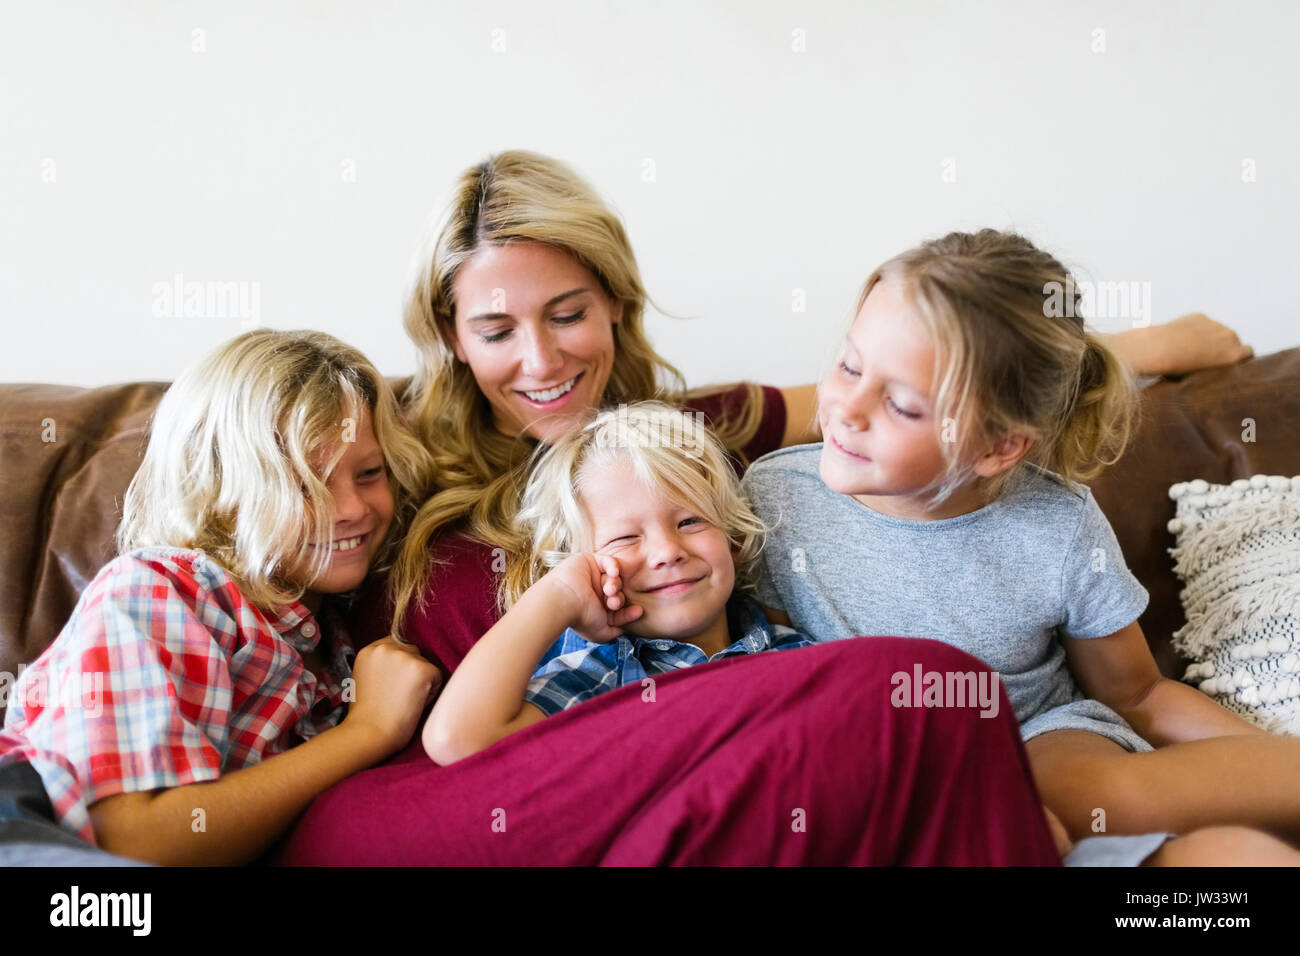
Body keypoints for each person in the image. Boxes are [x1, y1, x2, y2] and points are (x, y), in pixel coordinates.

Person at [274, 151, 1251, 866]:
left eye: (567, 313)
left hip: (689, 796)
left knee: (920, 708)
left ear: (616, 300)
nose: (539, 359)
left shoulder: (694, 437)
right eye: (494, 328)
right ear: (449, 334)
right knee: (909, 686)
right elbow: (243, 529)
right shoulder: (381, 454)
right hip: (469, 785)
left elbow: (931, 392)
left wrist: (1128, 348)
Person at [742, 228, 1300, 865]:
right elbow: (770, 670)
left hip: (1037, 738)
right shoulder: (774, 497)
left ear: (997, 446)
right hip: (876, 758)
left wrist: (1267, 750)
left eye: (900, 405)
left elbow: (1137, 694)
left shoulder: (1058, 527)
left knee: (1093, 795)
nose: (846, 408)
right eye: (849, 366)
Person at [0, 330, 441, 865]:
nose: (349, 507)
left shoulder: (335, 644)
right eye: (304, 484)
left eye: (369, 473)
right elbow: (134, 841)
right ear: (217, 491)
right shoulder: (160, 589)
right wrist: (368, 732)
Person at [424, 402, 820, 764]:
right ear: (581, 564)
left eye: (690, 521)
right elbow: (456, 740)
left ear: (732, 539)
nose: (667, 551)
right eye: (625, 539)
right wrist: (560, 594)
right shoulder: (598, 673)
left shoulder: (796, 653)